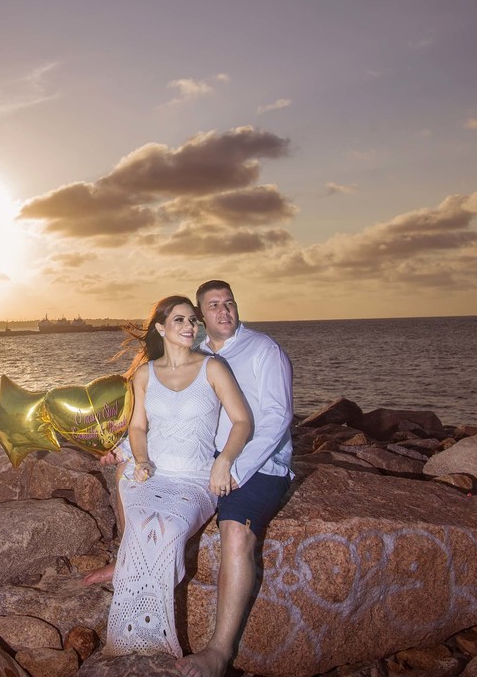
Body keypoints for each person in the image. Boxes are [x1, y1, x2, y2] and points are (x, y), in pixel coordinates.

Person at [103, 295, 252, 658]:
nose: (190, 327)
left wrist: (225, 461)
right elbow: (138, 427)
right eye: (180, 321)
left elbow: (242, 421)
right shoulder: (144, 374)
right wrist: (140, 460)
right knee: (139, 520)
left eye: (193, 321)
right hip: (151, 471)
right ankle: (125, 637)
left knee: (167, 528)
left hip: (196, 478)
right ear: (160, 329)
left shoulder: (213, 368)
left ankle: (156, 638)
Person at [175, 280, 294, 677]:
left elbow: (278, 417)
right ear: (201, 316)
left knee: (236, 532)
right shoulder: (197, 356)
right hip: (206, 460)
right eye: (214, 306)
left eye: (229, 303)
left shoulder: (263, 349)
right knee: (151, 490)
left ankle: (219, 652)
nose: (224, 311)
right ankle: (125, 565)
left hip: (260, 464)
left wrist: (237, 469)